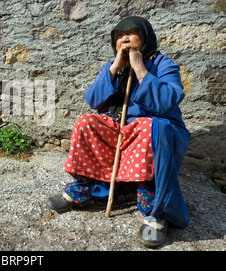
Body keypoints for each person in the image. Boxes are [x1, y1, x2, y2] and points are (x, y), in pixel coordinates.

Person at [46, 16, 191, 248]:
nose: (124, 39)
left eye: (131, 33)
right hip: (120, 128)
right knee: (87, 122)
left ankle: (155, 212)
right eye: (119, 36)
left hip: (154, 129)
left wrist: (140, 68)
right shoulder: (113, 68)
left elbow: (167, 101)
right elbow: (93, 100)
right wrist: (115, 67)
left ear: (144, 38)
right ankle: (81, 190)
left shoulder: (164, 65)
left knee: (147, 127)